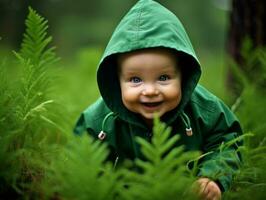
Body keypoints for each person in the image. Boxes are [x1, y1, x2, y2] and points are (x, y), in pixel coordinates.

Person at [74, 0, 242, 199]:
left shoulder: (204, 109)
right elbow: (79, 159)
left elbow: (228, 142)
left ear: (183, 75)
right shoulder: (99, 121)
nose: (150, 90)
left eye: (163, 78)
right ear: (117, 81)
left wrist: (212, 177)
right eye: (135, 79)